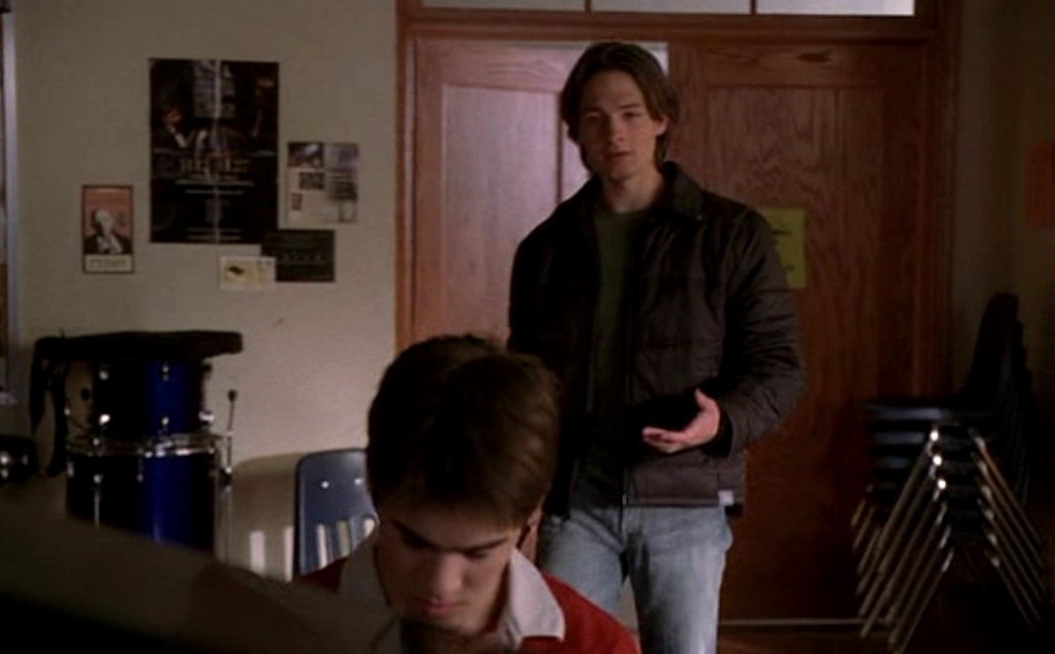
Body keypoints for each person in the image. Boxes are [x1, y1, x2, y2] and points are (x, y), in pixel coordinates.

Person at [507, 42, 807, 654]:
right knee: (563, 649)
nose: (614, 133)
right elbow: (523, 383)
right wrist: (518, 488)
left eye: (630, 114)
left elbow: (779, 366)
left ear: (661, 118)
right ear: (575, 131)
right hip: (577, 502)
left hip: (686, 498)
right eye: (595, 117)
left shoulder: (731, 234)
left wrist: (722, 420)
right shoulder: (546, 247)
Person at [299, 334, 640, 654]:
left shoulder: (598, 646)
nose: (441, 585)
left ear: (530, 520)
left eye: (479, 553)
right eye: (414, 543)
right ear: (375, 493)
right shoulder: (288, 625)